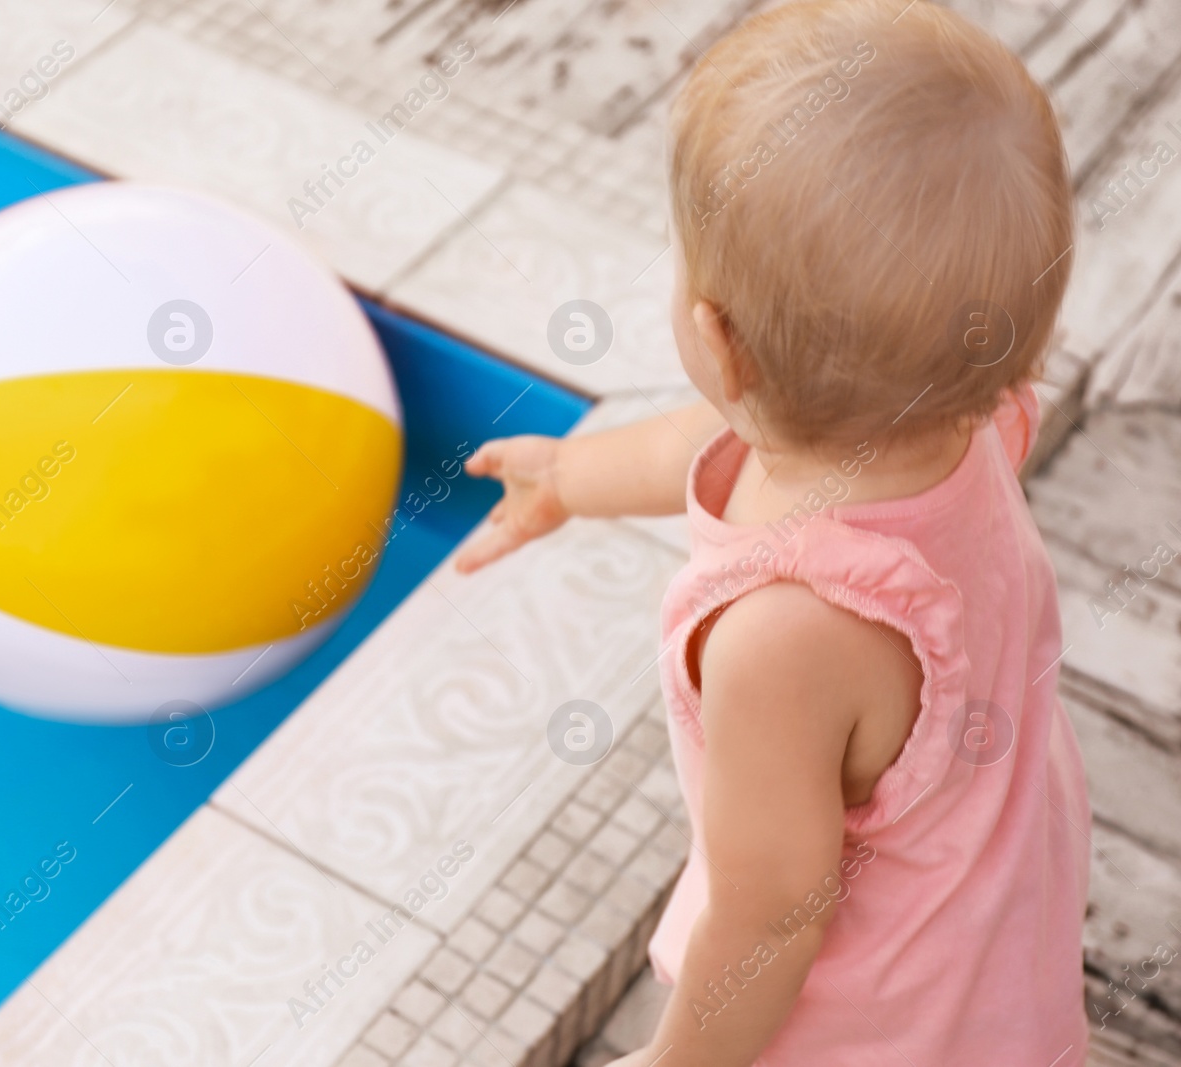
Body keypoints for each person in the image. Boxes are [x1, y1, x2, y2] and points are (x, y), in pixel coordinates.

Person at [456, 2, 1091, 1063]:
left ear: (716, 336)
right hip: (994, 925)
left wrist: (673, 1060)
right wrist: (570, 474)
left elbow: (774, 916)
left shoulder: (783, 635)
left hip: (886, 1027)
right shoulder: (958, 414)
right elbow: (706, 447)